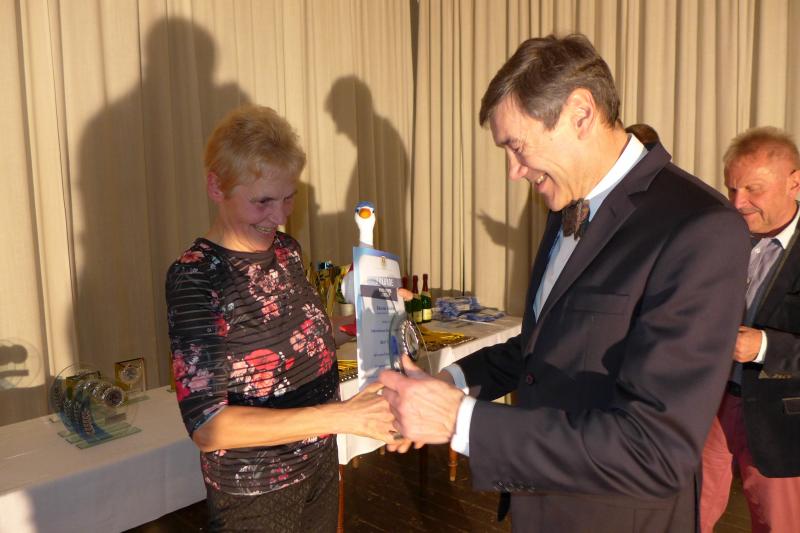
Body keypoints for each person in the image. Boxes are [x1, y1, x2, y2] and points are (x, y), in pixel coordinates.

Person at [379, 33, 750, 532]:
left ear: (580, 113)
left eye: (517, 146)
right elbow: (540, 350)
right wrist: (448, 383)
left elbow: (655, 451)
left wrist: (459, 420)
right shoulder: (565, 204)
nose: (513, 172)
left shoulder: (700, 228)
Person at [165, 105, 396, 532]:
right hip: (258, 490)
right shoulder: (196, 277)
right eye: (263, 201)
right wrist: (341, 417)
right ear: (216, 186)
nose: (280, 216)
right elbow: (208, 427)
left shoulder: (286, 251)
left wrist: (375, 315)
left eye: (289, 197)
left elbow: (303, 336)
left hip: (318, 461)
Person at [700, 127, 800, 533]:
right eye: (732, 188)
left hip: (781, 421)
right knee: (687, 515)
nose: (737, 203)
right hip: (710, 404)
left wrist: (763, 346)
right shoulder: (721, 235)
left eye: (753, 189)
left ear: (795, 183)